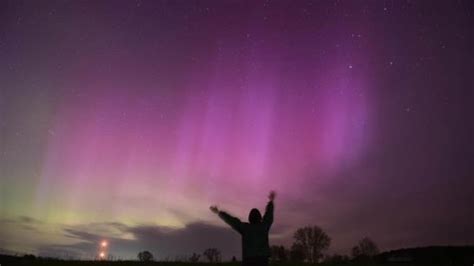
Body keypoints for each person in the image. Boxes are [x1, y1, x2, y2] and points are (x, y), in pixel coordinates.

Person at [210, 191, 275, 266]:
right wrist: (271, 201)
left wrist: (219, 212)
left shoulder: (245, 228)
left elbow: (232, 221)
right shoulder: (264, 226)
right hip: (262, 260)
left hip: (248, 260)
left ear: (250, 218)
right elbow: (268, 215)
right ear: (260, 218)